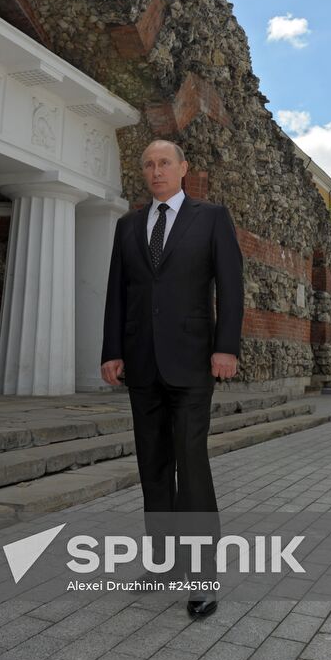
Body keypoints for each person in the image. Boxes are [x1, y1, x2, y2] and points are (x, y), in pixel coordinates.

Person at [101, 139, 244, 619]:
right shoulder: (127, 226)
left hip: (192, 362)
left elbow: (231, 284)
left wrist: (226, 346)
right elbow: (117, 294)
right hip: (141, 363)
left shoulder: (211, 218)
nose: (156, 170)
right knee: (153, 465)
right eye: (148, 165)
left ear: (184, 168)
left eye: (165, 163)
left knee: (191, 463)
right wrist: (112, 351)